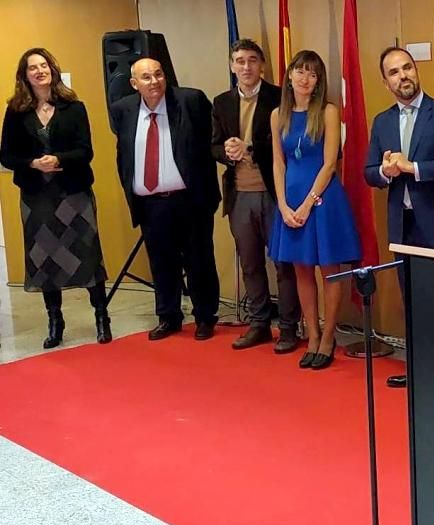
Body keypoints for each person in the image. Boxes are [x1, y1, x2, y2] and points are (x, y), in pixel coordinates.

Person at [364, 46, 434, 387]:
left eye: (407, 68)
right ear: (386, 82)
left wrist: (413, 167)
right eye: (394, 72)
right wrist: (383, 171)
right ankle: (421, 372)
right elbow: (368, 172)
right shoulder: (381, 122)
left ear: (416, 70)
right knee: (413, 302)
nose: (403, 76)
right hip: (403, 226)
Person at [0, 47, 110, 349]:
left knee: (87, 256)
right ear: (25, 76)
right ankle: (55, 320)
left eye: (44, 65)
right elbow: (7, 155)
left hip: (73, 195)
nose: (39, 71)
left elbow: (85, 151)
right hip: (38, 199)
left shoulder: (74, 107)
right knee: (46, 261)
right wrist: (33, 163)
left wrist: (58, 158)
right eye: (32, 67)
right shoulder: (15, 111)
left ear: (53, 70)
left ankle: (102, 316)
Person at [110, 58, 220, 341]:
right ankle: (168, 316)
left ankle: (205, 316)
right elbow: (124, 155)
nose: (154, 81)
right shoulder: (123, 110)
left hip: (189, 199)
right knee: (161, 262)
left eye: (158, 74)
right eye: (146, 77)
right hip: (150, 202)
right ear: (134, 84)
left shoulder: (190, 101)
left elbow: (211, 144)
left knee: (199, 260)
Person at [268, 50, 361, 370]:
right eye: (300, 71)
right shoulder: (277, 115)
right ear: (290, 75)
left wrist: (307, 204)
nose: (306, 78)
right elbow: (278, 164)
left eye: (313, 74)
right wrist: (282, 204)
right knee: (301, 269)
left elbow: (330, 163)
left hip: (321, 198)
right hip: (290, 200)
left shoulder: (328, 111)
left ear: (318, 81)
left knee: (328, 270)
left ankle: (329, 336)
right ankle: (311, 333)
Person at [212, 39, 301, 353]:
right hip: (240, 195)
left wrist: (250, 148)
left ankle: (290, 328)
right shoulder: (221, 102)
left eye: (252, 60)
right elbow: (213, 145)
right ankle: (259, 325)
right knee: (250, 264)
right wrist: (226, 151)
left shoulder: (280, 97)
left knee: (283, 264)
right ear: (232, 66)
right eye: (239, 61)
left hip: (275, 194)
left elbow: (289, 145)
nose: (246, 67)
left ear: (262, 65)